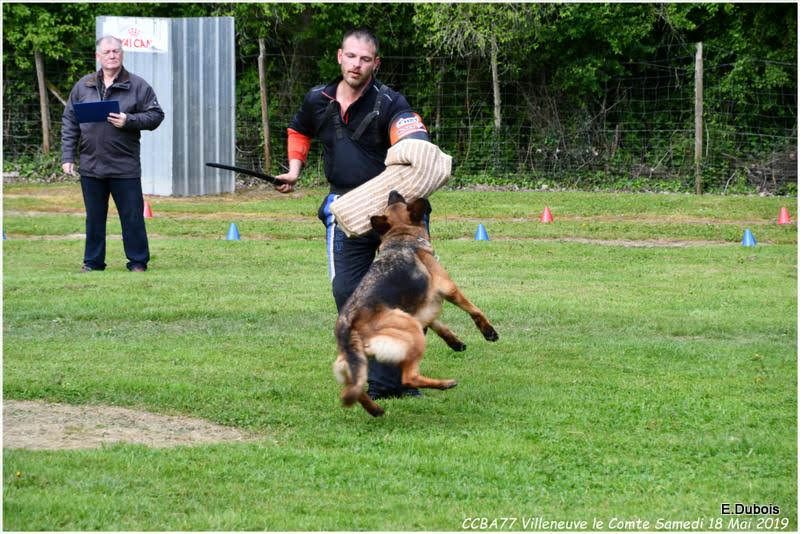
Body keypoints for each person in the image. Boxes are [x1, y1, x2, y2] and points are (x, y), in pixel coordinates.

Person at [276, 28, 432, 400]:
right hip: (345, 207)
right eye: (351, 56)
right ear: (339, 57)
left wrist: (410, 147)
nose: (357, 65)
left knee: (412, 293)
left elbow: (415, 140)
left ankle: (391, 381)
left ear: (375, 63)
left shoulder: (391, 102)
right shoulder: (318, 99)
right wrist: (294, 170)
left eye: (365, 59)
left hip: (395, 212)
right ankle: (377, 372)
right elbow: (299, 129)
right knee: (348, 292)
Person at [62, 35, 165, 273]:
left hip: (124, 166)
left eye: (116, 51)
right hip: (91, 165)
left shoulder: (138, 86)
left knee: (132, 218)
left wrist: (129, 121)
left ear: (122, 54)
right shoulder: (83, 86)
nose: (112, 55)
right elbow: (70, 121)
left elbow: (156, 116)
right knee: (94, 219)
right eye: (107, 52)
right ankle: (93, 263)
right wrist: (68, 156)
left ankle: (138, 262)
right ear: (98, 56)